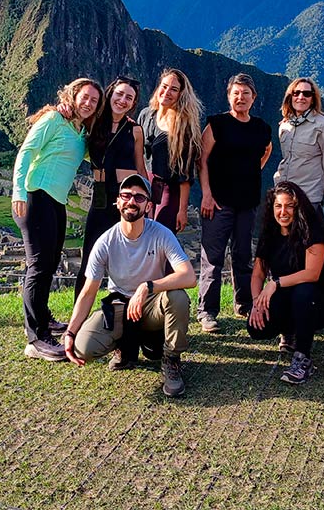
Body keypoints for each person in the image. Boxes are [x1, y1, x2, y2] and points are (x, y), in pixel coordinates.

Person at [63, 174, 195, 398]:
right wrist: (70, 331)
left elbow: (189, 276)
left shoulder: (162, 234)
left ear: (149, 206)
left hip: (151, 305)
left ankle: (171, 359)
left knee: (178, 297)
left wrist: (148, 287)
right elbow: (88, 292)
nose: (131, 201)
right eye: (126, 195)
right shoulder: (106, 241)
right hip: (120, 305)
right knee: (83, 347)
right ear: (117, 201)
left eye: (139, 197)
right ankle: (124, 347)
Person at [13, 78, 104, 361]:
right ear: (72, 96)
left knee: (50, 263)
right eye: (84, 97)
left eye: (94, 101)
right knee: (39, 266)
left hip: (57, 201)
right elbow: (26, 151)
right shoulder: (54, 118)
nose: (88, 103)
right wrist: (17, 191)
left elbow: (101, 151)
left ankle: (44, 318)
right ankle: (36, 338)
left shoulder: (80, 134)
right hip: (35, 195)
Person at [198, 73, 273, 333]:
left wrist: (251, 173)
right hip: (218, 201)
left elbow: (266, 152)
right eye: (236, 93)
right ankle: (207, 310)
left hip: (247, 201)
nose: (240, 98)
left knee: (243, 254)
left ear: (254, 97)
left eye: (245, 93)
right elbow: (203, 160)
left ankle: (243, 302)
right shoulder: (217, 124)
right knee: (213, 257)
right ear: (228, 96)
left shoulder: (261, 127)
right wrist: (207, 194)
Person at [247, 182, 324, 384]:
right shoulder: (270, 233)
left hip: (316, 302)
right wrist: (256, 303)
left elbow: (312, 274)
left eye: (289, 206)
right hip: (286, 297)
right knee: (256, 328)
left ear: (299, 207)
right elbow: (258, 275)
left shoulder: (312, 231)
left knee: (303, 292)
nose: (283, 212)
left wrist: (275, 283)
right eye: (278, 206)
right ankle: (289, 331)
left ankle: (303, 358)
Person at [73, 77, 148, 299]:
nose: (122, 100)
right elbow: (73, 112)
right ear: (110, 93)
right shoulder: (93, 122)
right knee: (90, 254)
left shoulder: (135, 130)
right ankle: (79, 312)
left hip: (127, 197)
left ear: (133, 103)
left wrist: (146, 200)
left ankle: (130, 308)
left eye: (129, 98)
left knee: (127, 254)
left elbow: (140, 168)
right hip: (101, 195)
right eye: (119, 94)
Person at [136, 68, 203, 233]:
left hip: (167, 189)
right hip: (144, 184)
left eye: (174, 89)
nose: (167, 92)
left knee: (159, 235)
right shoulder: (146, 115)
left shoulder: (183, 127)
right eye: (164, 86)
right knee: (139, 236)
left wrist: (182, 210)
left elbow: (186, 173)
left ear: (181, 94)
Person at [273, 77, 324, 212]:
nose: (301, 97)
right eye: (296, 93)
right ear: (290, 97)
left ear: (313, 98)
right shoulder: (285, 125)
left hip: (309, 197)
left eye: (306, 94)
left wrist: (318, 190)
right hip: (284, 194)